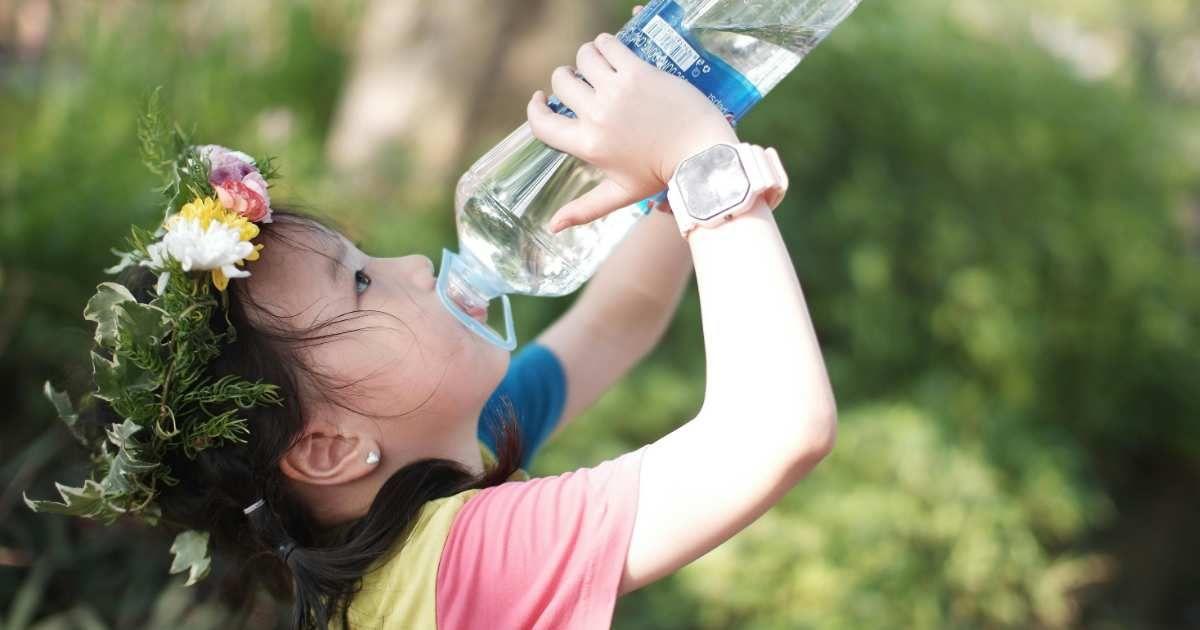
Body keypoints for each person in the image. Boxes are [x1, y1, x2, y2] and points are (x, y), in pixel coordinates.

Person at [28, 16, 836, 630]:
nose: (417, 266)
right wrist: (700, 161)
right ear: (329, 447)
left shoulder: (436, 486)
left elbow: (621, 319)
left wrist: (678, 146)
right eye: (363, 284)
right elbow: (775, 431)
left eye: (368, 255)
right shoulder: (465, 566)